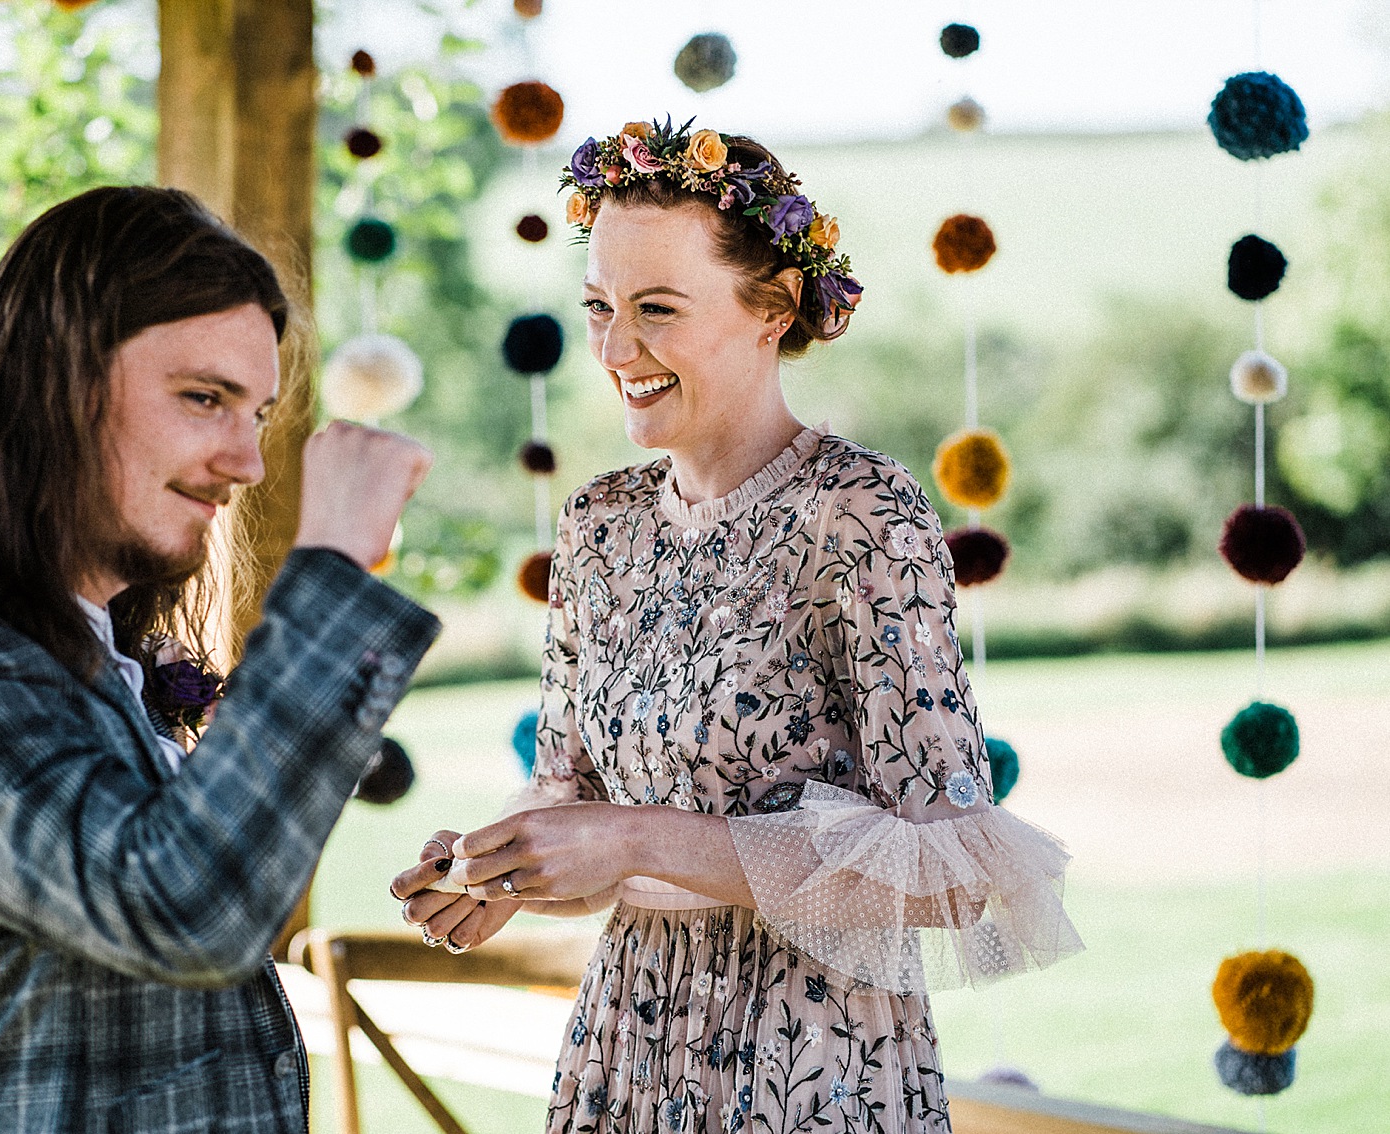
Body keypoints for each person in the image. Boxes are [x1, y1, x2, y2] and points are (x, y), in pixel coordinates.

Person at [390, 121, 1082, 1133]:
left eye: (656, 309)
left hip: (814, 1058)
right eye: (598, 309)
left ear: (774, 308)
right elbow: (577, 807)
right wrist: (502, 872)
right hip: (624, 1044)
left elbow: (947, 878)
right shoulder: (595, 524)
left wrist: (635, 835)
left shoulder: (860, 512)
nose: (616, 349)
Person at [0, 185, 439, 1133]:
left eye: (257, 412)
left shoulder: (86, 650)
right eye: (203, 399)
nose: (250, 461)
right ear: (55, 385)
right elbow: (179, 907)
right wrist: (335, 568)